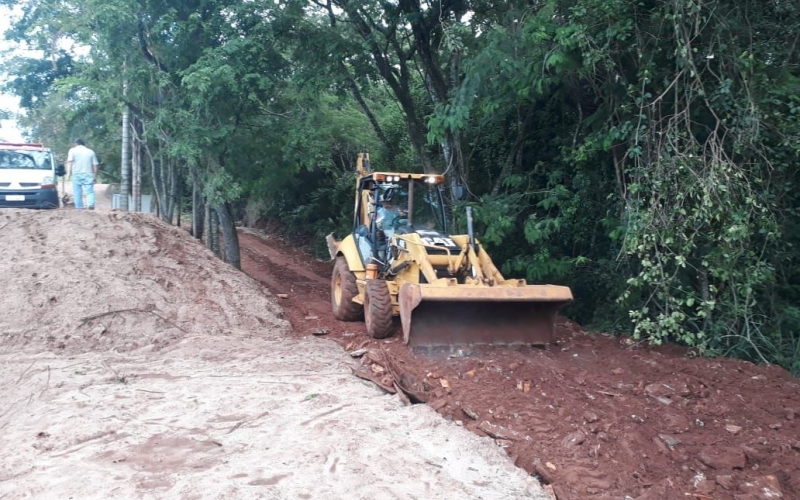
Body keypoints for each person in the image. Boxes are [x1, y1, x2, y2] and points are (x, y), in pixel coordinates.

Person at [65, 139, 99, 210]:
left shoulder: (72, 150)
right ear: (84, 144)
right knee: (89, 191)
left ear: (76, 144)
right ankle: (90, 205)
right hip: (88, 174)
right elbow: (95, 165)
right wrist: (95, 176)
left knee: (77, 192)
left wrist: (68, 173)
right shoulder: (90, 152)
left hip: (76, 174)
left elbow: (69, 162)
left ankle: (79, 208)